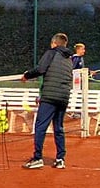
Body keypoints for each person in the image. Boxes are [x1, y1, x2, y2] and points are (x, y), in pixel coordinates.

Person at [21, 33, 74, 169]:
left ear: (54, 43)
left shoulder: (51, 53)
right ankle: (60, 159)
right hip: (63, 97)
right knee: (59, 128)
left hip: (50, 97)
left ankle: (37, 158)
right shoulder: (69, 58)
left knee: (40, 126)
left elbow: (40, 69)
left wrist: (27, 75)